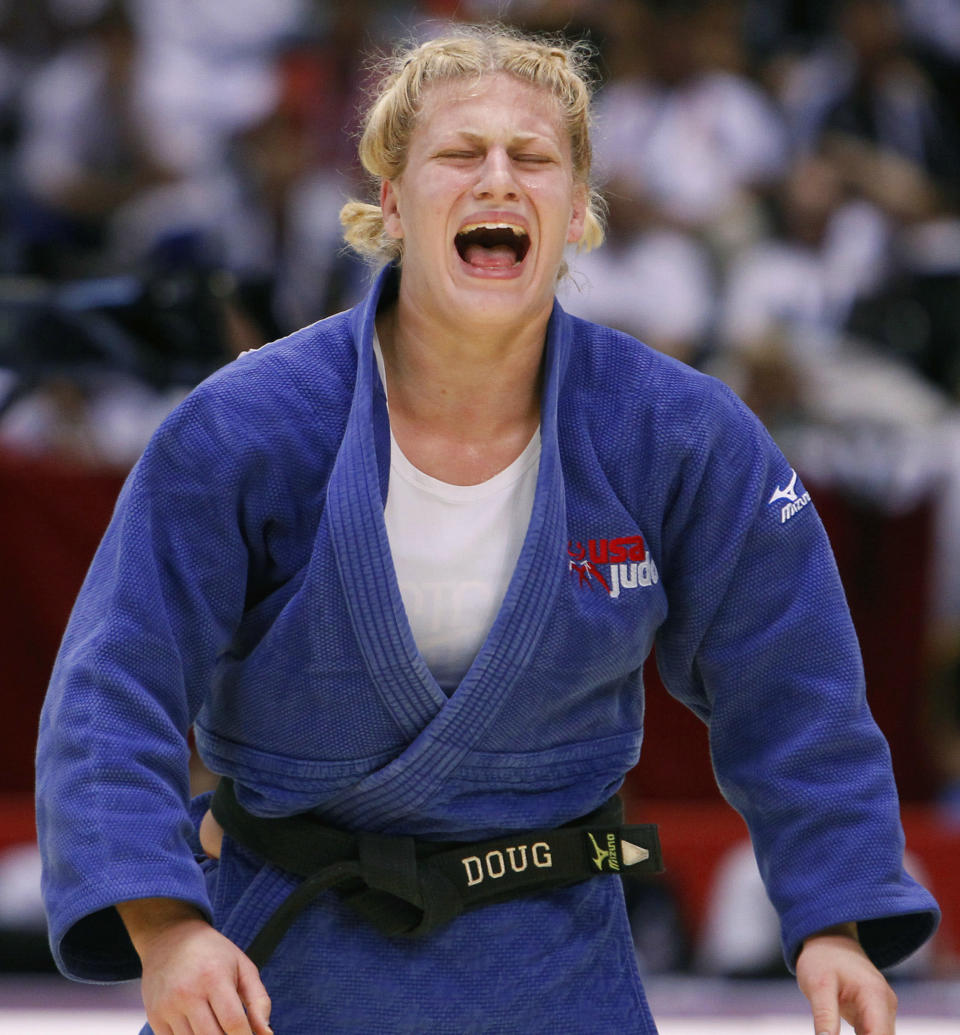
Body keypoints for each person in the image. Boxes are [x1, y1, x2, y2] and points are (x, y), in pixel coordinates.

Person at [35, 24, 939, 1035]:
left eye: (534, 158)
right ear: (392, 200)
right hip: (280, 961)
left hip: (555, 962)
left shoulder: (683, 434)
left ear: (577, 209)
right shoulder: (243, 426)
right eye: (461, 155)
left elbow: (793, 684)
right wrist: (166, 928)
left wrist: (833, 922)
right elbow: (115, 687)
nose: (498, 179)